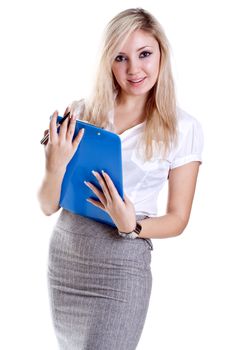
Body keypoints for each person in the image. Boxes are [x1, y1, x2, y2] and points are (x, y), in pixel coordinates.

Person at [38, 7, 203, 350]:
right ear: (108, 63)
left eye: (144, 54)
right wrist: (54, 165)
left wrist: (132, 226)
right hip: (68, 256)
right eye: (120, 57)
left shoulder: (184, 128)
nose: (134, 69)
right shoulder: (83, 112)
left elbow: (178, 219)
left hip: (122, 264)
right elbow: (47, 205)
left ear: (161, 54)